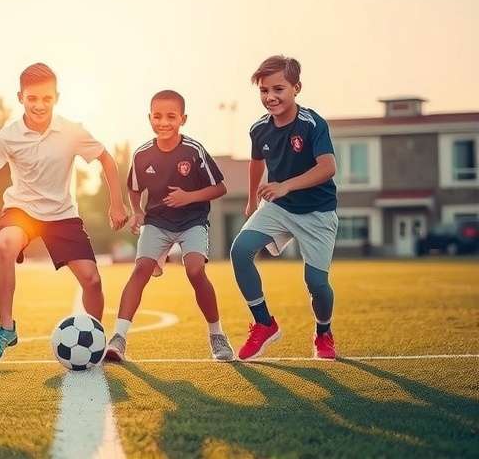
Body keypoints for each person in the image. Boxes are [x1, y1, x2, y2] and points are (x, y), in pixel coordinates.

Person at [0, 62, 128, 362]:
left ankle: (95, 336)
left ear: (57, 96)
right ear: (21, 98)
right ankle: (6, 329)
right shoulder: (9, 135)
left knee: (92, 280)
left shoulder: (72, 131)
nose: (39, 105)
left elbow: (107, 160)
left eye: (46, 98)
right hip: (22, 209)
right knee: (5, 243)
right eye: (32, 98)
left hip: (61, 213)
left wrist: (117, 203)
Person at [105, 90, 234, 362]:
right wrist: (138, 212)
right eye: (157, 116)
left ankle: (217, 336)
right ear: (149, 118)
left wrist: (189, 197)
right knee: (140, 269)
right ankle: (118, 338)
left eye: (171, 117)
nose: (164, 122)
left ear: (183, 119)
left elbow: (220, 187)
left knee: (195, 270)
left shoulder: (194, 150)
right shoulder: (141, 155)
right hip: (158, 222)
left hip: (192, 221)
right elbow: (134, 189)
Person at [230, 55, 338, 361]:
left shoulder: (312, 124)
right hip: (278, 206)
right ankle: (264, 324)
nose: (270, 97)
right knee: (240, 251)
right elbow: (256, 162)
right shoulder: (259, 129)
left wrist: (286, 184)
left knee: (316, 284)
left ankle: (323, 332)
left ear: (296, 88)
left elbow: (328, 167)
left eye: (278, 89)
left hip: (318, 210)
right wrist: (252, 199)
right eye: (264, 91)